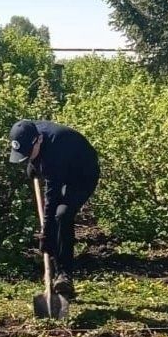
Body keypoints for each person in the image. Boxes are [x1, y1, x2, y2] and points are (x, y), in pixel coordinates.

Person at [8, 119, 100, 302]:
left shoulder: (55, 151)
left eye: (28, 153)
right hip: (60, 166)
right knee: (55, 219)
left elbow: (52, 198)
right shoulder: (29, 130)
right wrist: (33, 165)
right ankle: (57, 277)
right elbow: (37, 157)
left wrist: (46, 234)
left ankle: (64, 275)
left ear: (39, 140)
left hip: (82, 174)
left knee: (62, 215)